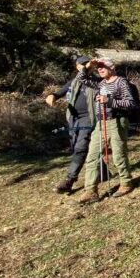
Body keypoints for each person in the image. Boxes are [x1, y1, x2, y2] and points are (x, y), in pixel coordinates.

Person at [77, 58, 137, 204]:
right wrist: (88, 66)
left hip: (116, 121)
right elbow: (81, 78)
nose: (100, 69)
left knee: (118, 154)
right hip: (100, 123)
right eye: (98, 68)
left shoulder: (121, 82)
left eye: (103, 67)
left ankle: (126, 183)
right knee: (92, 155)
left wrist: (109, 101)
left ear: (112, 68)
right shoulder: (100, 83)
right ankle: (91, 190)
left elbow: (130, 103)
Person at [46, 55, 100, 193]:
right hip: (73, 119)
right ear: (77, 66)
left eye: (87, 64)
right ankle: (102, 170)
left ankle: (70, 180)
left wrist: (87, 69)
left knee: (81, 147)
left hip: (89, 118)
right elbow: (59, 93)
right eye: (81, 65)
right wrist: (52, 96)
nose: (84, 67)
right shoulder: (73, 82)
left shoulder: (95, 81)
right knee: (79, 147)